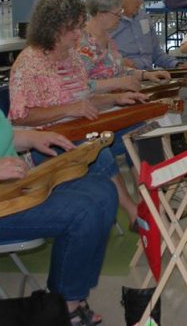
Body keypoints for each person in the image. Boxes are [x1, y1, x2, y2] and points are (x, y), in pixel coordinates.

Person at [8, 0, 145, 229]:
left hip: (81, 129)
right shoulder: (29, 64)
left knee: (140, 130)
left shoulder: (71, 57)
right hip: (45, 143)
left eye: (80, 26)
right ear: (52, 28)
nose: (78, 34)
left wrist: (119, 98)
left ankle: (149, 200)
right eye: (72, 28)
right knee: (95, 151)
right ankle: (133, 213)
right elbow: (22, 118)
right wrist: (69, 108)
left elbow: (85, 100)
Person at [0, 111, 117, 325]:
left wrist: (31, 138)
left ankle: (71, 296)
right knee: (82, 212)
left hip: (17, 188)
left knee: (103, 191)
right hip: (4, 205)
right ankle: (65, 306)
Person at [111, 0, 187, 125]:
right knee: (167, 99)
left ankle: (184, 133)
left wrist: (177, 66)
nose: (141, 2)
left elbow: (157, 53)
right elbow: (103, 62)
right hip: (130, 81)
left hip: (152, 76)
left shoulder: (143, 16)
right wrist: (120, 63)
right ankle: (172, 134)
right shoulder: (110, 24)